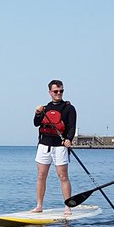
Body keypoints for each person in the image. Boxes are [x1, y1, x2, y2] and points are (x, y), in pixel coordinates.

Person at [31, 79, 77, 214]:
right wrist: (38, 113)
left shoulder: (69, 108)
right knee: (41, 175)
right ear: (50, 92)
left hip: (60, 147)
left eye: (61, 91)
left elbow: (71, 126)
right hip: (44, 146)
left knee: (63, 176)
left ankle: (68, 206)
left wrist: (68, 139)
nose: (59, 93)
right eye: (56, 91)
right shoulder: (45, 108)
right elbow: (36, 123)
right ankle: (39, 206)